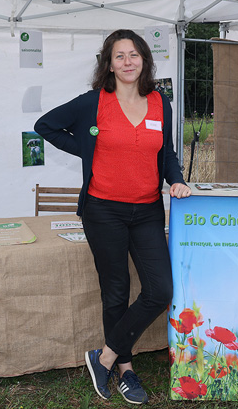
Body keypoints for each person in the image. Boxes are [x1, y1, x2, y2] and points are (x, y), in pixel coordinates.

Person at [34, 29, 191, 405]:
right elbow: (46, 126)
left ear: (145, 60)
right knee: (116, 291)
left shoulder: (159, 102)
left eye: (134, 55)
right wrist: (89, 150)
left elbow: (165, 152)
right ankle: (126, 369)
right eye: (119, 56)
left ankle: (103, 356)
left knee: (160, 291)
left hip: (147, 209)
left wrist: (177, 180)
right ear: (109, 62)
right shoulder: (93, 103)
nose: (127, 62)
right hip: (103, 209)